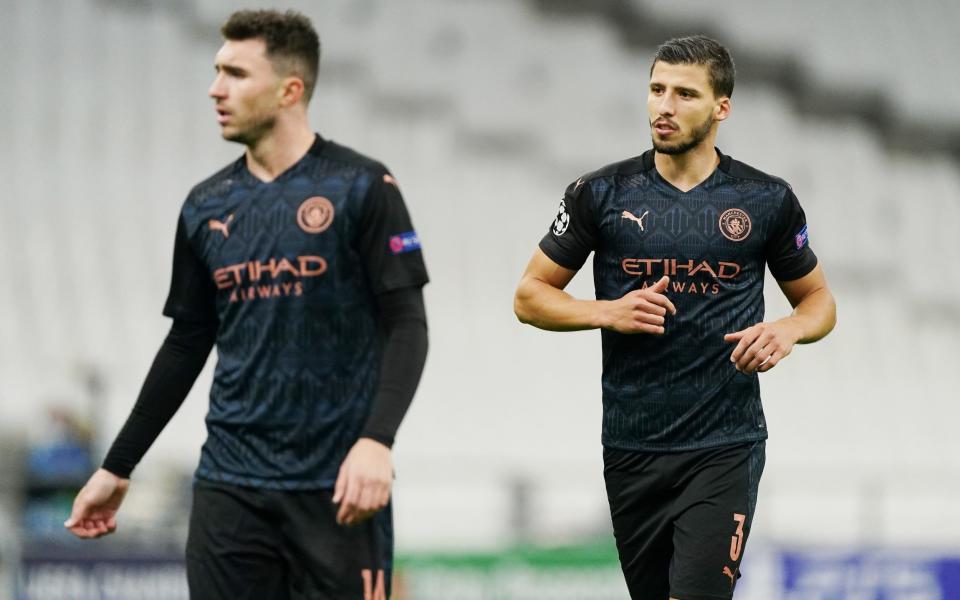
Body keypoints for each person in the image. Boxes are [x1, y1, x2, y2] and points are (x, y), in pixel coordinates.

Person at [64, 9, 429, 599]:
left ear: (290, 89)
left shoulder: (362, 187)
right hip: (228, 488)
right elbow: (187, 342)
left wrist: (377, 441)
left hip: (336, 487)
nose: (215, 89)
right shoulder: (205, 206)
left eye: (234, 73)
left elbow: (407, 325)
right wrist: (117, 465)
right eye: (216, 71)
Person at [514, 35, 836, 600]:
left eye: (684, 93)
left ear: (721, 107)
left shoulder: (765, 199)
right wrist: (606, 311)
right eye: (656, 89)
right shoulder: (601, 193)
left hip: (725, 445)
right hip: (632, 445)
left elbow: (819, 303)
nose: (663, 106)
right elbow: (530, 296)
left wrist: (786, 329)